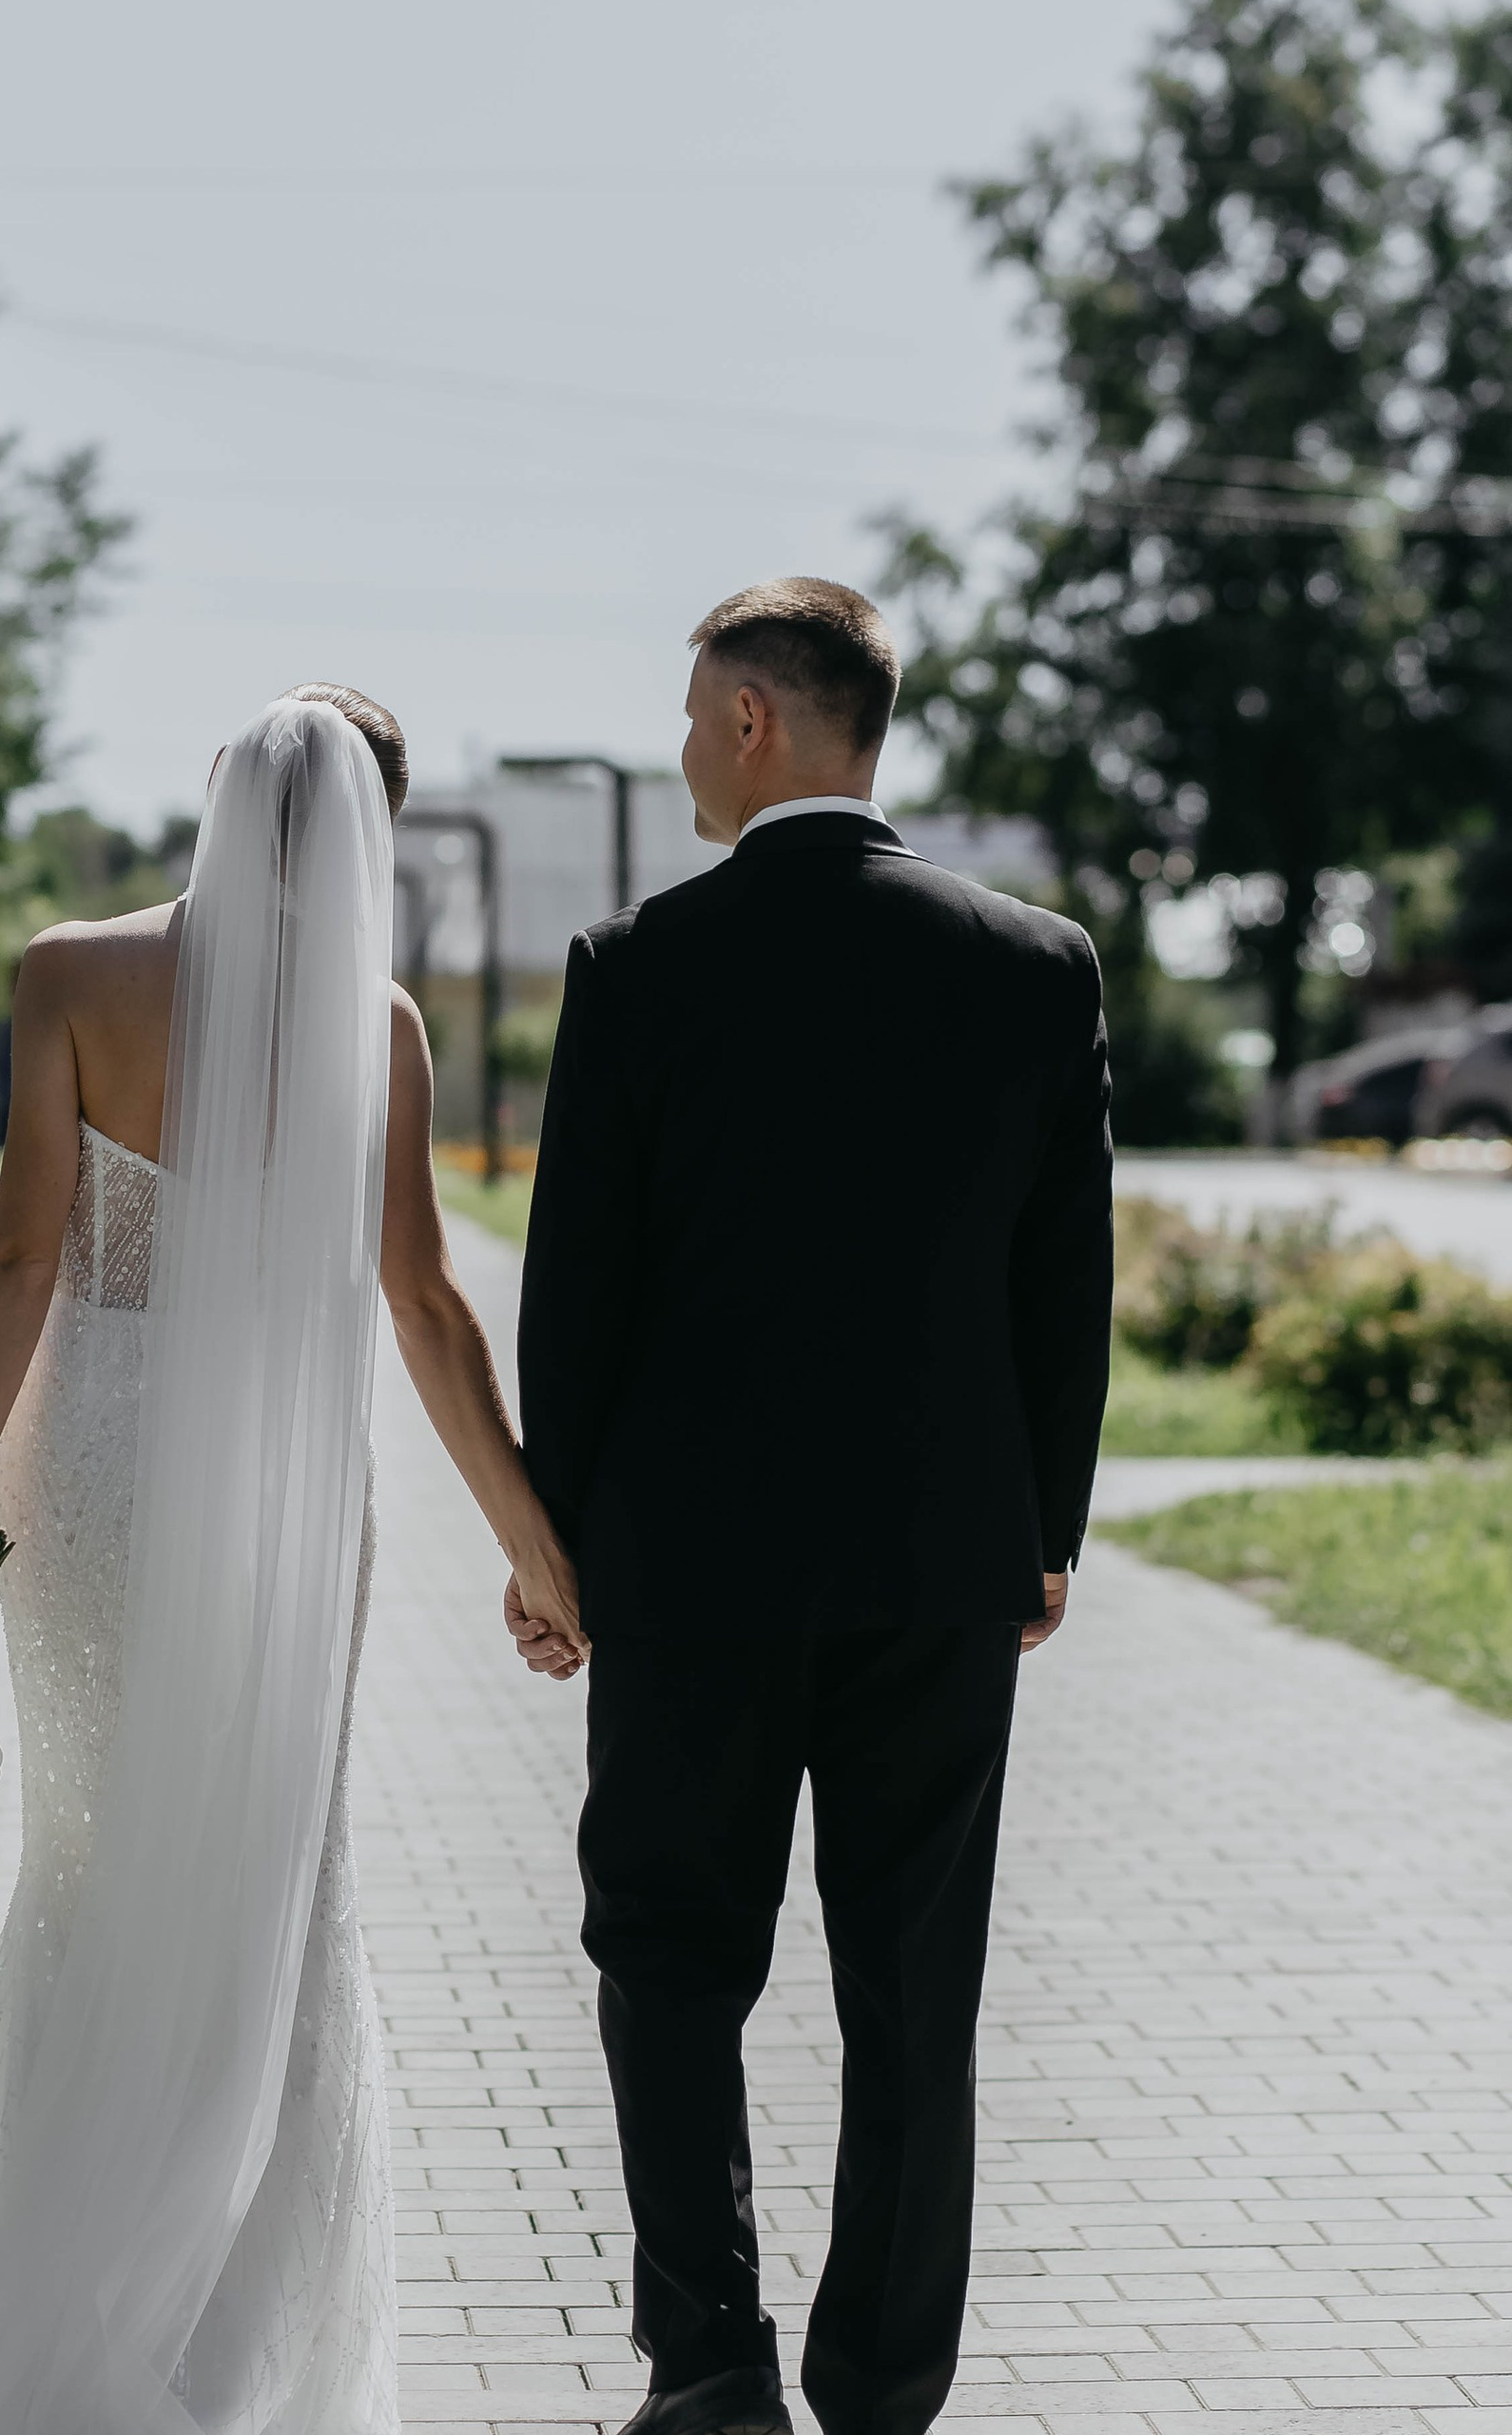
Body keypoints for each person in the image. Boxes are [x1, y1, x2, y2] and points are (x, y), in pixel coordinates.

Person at [0, 684, 586, 2435]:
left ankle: (66, 2330)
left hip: (103, 1472)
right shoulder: (386, 1029)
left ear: (212, 795)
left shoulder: (71, 974)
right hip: (292, 1491)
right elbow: (424, 1306)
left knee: (98, 1868)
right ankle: (237, 2353)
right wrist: (534, 1548)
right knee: (282, 1870)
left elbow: (17, 1265)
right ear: (378, 836)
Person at [515, 578, 1113, 2435]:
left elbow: (573, 1299)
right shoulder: (1032, 963)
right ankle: (877, 2389)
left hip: (685, 1573)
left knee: (670, 1961)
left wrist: (555, 1549)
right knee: (908, 1987)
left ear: (758, 721)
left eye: (696, 710)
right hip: (939, 1565)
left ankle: (706, 2363)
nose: (683, 742)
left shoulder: (637, 964)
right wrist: (1047, 1530)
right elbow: (1059, 1280)